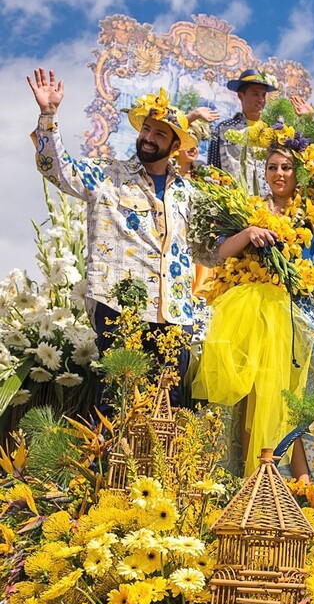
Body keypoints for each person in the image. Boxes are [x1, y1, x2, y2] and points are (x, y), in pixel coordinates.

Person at [191, 134, 314, 475]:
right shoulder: (248, 210)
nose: (279, 174)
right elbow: (219, 253)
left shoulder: (310, 216)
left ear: (298, 173)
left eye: (286, 167)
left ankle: (300, 485)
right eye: (272, 167)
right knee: (255, 399)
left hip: (296, 316)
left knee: (297, 402)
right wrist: (248, 232)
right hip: (254, 314)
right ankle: (253, 482)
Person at [28, 70, 199, 379]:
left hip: (176, 312)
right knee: (116, 400)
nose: (148, 138)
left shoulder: (190, 194)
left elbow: (208, 251)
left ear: (175, 147)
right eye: (146, 129)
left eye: (160, 134)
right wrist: (48, 115)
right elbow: (56, 169)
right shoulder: (108, 175)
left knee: (168, 405)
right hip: (120, 305)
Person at [208, 68, 278, 192]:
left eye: (263, 95)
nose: (261, 100)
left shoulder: (275, 131)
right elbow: (213, 168)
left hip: (269, 205)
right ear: (241, 96)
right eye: (255, 94)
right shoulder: (223, 129)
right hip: (236, 204)